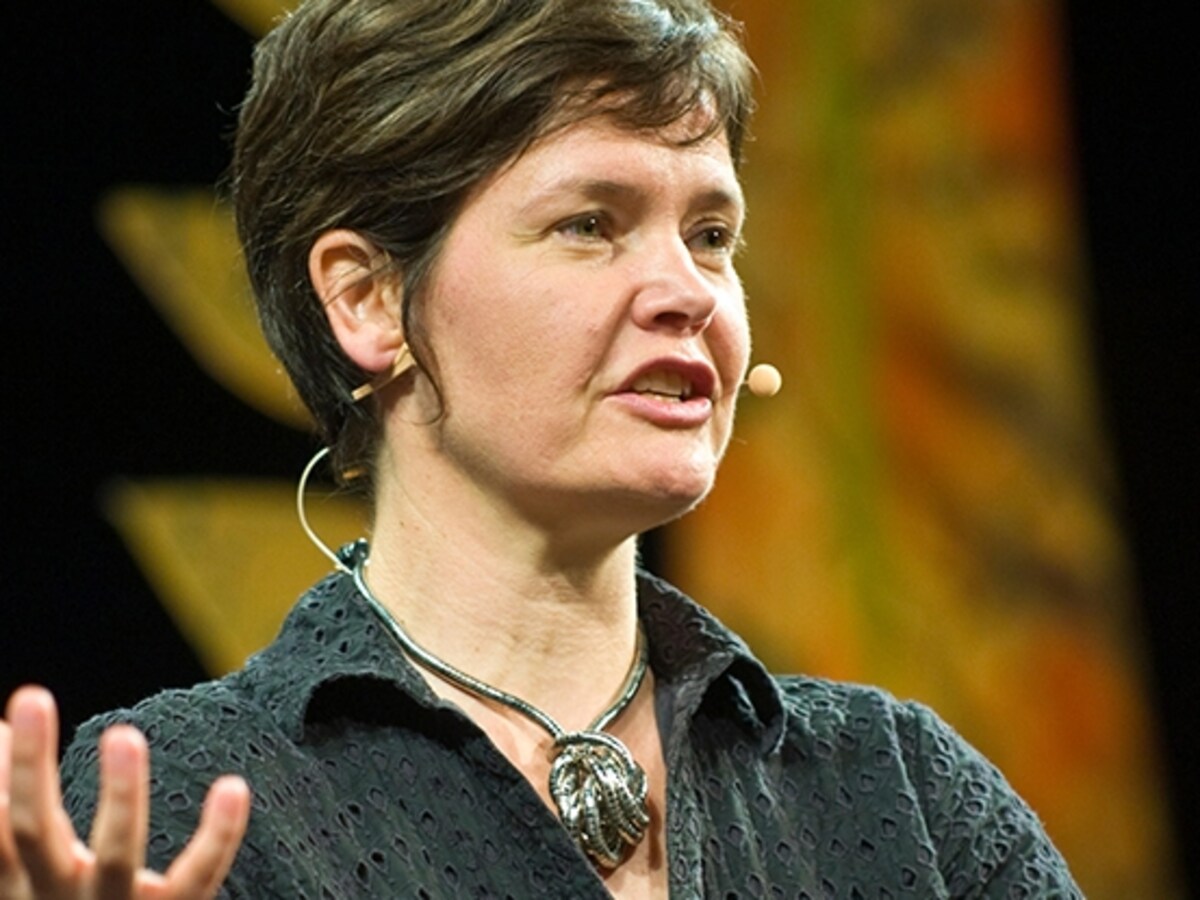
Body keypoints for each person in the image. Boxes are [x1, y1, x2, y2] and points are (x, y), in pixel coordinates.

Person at [1, 0, 1083, 896]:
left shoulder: (906, 795)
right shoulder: (191, 807)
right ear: (368, 300)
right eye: (590, 224)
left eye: (711, 235)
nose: (687, 293)